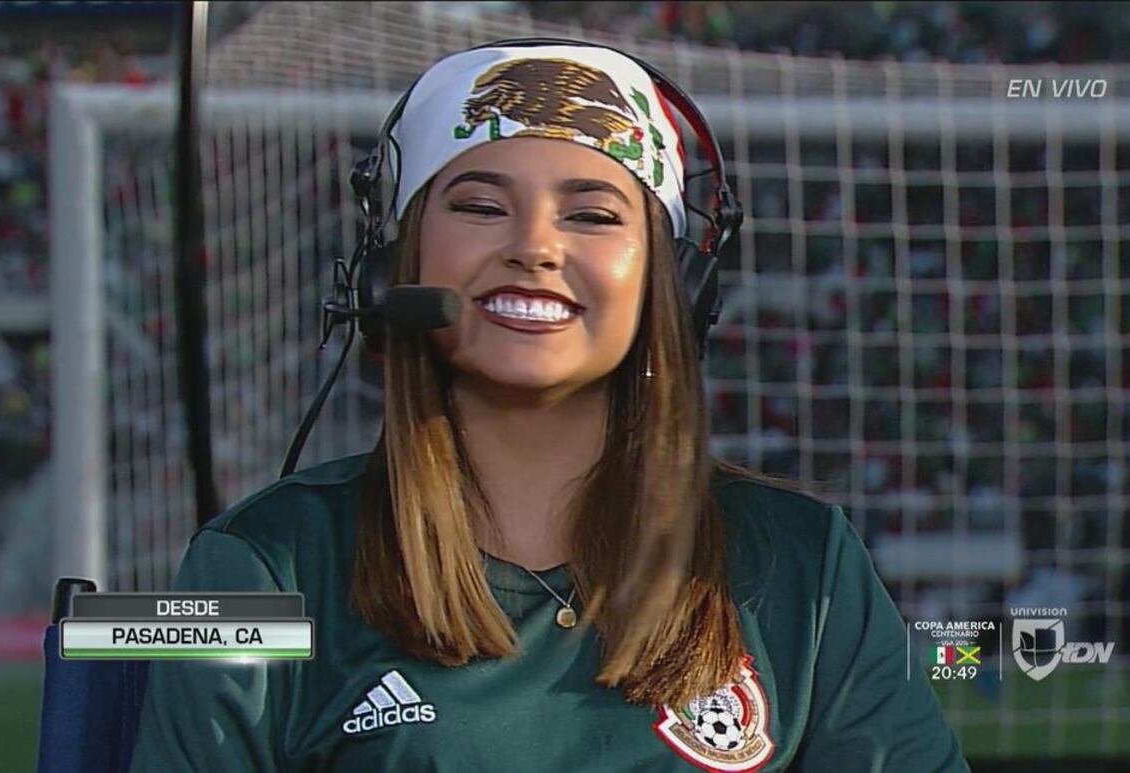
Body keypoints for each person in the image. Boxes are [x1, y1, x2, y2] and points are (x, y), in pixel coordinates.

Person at [130, 41, 968, 772]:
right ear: (396, 268)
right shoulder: (258, 568)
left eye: (592, 214)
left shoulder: (806, 564)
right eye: (481, 206)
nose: (534, 246)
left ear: (675, 286)